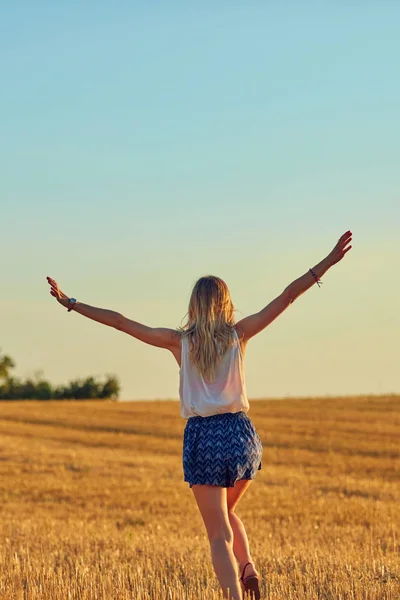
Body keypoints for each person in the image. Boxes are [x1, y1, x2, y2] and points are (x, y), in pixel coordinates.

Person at [46, 229, 352, 600]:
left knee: (217, 533)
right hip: (241, 436)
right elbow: (287, 296)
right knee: (228, 514)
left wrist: (72, 303)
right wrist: (328, 263)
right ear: (226, 303)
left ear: (194, 304)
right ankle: (248, 567)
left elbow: (122, 322)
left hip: (204, 437)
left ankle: (234, 595)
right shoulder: (240, 335)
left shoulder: (179, 342)